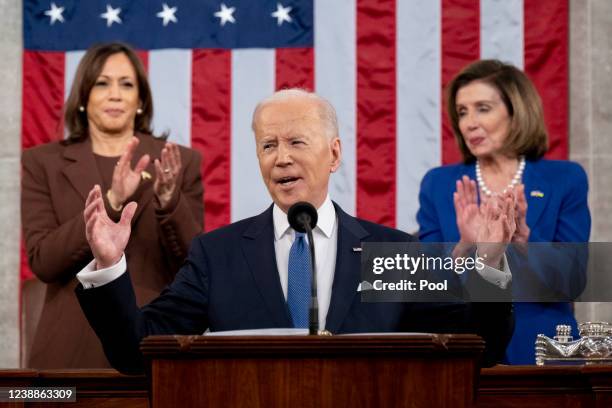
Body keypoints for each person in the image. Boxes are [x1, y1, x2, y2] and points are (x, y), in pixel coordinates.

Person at [75, 89, 514, 374]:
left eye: (296, 142)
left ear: (334, 154)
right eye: (268, 146)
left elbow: (480, 348)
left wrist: (489, 264)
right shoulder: (218, 255)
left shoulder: (391, 252)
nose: (280, 158)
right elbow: (137, 351)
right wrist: (110, 266)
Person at [21, 42, 204, 368]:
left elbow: (194, 264)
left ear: (140, 99)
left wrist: (168, 200)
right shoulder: (42, 162)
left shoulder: (179, 162)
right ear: (84, 96)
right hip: (69, 353)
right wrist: (113, 201)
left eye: (127, 84)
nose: (115, 94)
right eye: (102, 83)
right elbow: (44, 262)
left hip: (154, 347)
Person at [417, 59, 591, 364]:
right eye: (462, 112)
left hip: (543, 354)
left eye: (483, 108)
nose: (469, 122)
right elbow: (423, 287)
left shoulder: (565, 179)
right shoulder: (439, 184)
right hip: (462, 355)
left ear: (516, 111)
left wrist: (525, 242)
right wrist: (463, 247)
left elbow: (572, 280)